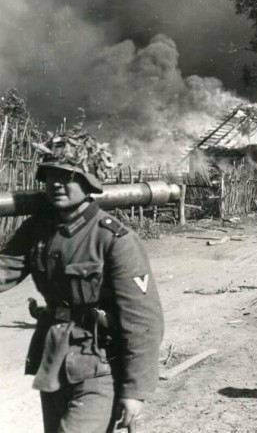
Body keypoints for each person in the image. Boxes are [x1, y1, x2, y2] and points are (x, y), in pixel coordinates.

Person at [0, 129, 164, 432]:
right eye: (50, 175)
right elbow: (3, 271)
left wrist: (135, 391)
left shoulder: (113, 239)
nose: (56, 184)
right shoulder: (38, 229)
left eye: (67, 176)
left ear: (88, 182)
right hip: (53, 362)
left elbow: (143, 321)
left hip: (99, 366)